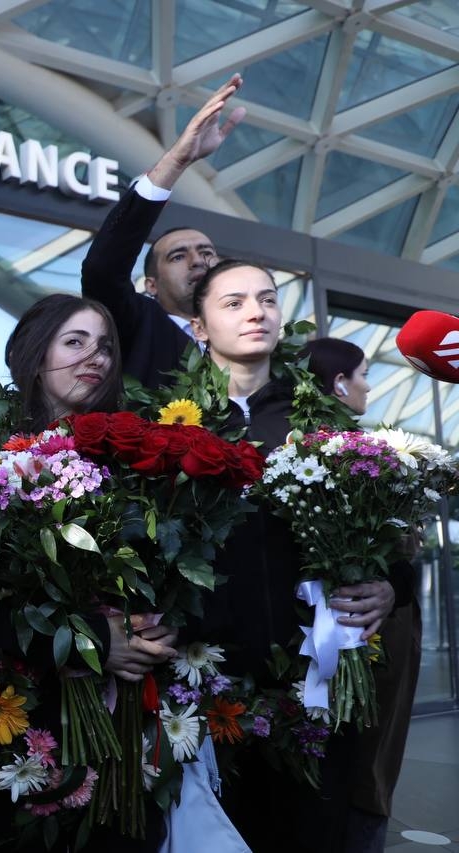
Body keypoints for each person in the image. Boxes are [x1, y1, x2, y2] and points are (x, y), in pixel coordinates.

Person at [0, 293, 179, 852]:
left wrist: (163, 629)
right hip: (20, 713)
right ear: (34, 353)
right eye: (75, 342)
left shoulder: (138, 463)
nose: (95, 357)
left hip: (127, 711)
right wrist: (92, 643)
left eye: (105, 346)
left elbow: (174, 577)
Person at [187, 263, 398, 853]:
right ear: (199, 326)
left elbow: (383, 537)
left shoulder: (325, 422)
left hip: (316, 688)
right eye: (234, 302)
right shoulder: (174, 421)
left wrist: (390, 586)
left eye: (267, 299)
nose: (256, 312)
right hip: (204, 691)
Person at [300, 337, 420, 853]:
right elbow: (400, 550)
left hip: (363, 626)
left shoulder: (347, 450)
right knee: (363, 760)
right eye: (364, 374)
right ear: (338, 383)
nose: (369, 386)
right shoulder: (348, 456)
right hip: (363, 634)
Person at [81, 75, 245, 389]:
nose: (197, 261)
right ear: (151, 285)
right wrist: (178, 161)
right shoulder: (136, 324)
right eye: (178, 256)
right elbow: (102, 270)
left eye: (206, 252)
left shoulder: (249, 337)